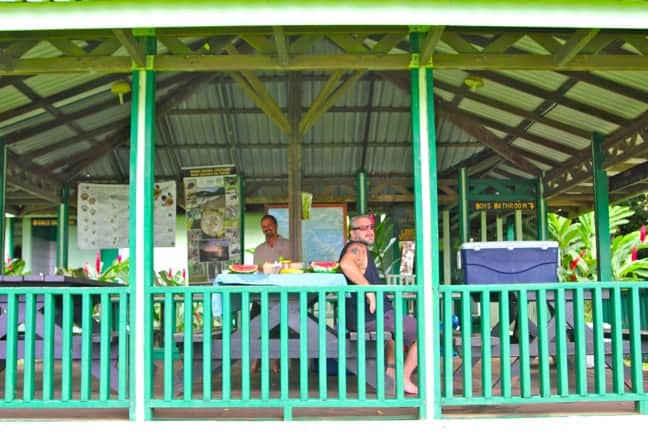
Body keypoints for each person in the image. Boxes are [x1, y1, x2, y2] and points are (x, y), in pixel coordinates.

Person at [339, 214, 419, 395]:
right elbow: (346, 265)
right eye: (363, 228)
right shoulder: (356, 247)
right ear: (352, 233)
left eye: (371, 227)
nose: (369, 231)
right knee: (426, 331)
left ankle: (391, 369)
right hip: (371, 317)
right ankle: (404, 378)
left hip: (371, 316)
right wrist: (368, 290)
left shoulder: (361, 249)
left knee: (392, 333)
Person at [251, 214, 290, 373]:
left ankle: (276, 361)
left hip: (283, 294)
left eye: (269, 225)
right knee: (256, 326)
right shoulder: (259, 249)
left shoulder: (288, 245)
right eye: (263, 226)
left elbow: (293, 267)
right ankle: (256, 359)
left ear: (276, 225)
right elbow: (256, 270)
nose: (266, 228)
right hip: (261, 295)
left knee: (279, 328)